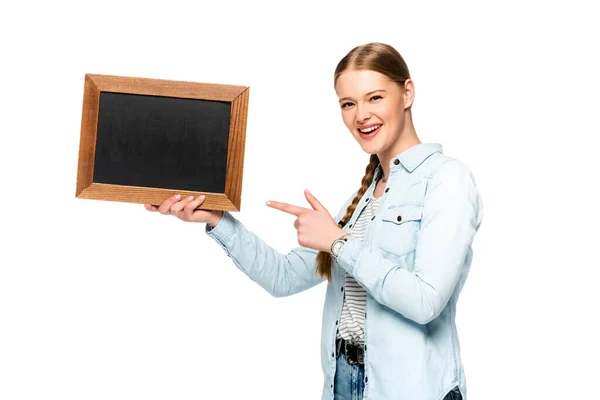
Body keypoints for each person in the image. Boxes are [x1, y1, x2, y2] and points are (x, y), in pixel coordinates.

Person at [145, 42, 483, 400]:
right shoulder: (366, 196)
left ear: (407, 93)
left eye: (375, 98)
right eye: (348, 104)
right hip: (344, 382)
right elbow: (284, 276)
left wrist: (338, 242)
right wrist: (216, 219)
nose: (361, 115)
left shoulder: (448, 180)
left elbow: (425, 301)